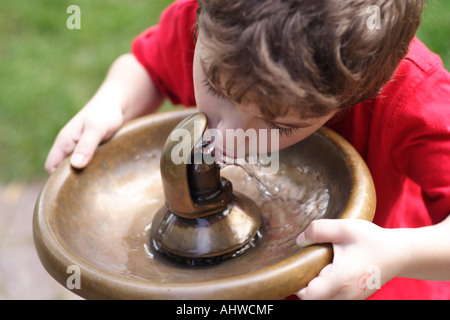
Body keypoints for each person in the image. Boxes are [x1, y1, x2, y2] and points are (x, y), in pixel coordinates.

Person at [45, 0, 450, 299]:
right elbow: (146, 66)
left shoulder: (409, 94)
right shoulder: (221, 25)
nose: (228, 139)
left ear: (361, 92)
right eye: (216, 88)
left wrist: (397, 253)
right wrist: (112, 102)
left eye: (279, 124)